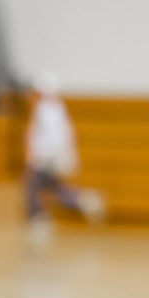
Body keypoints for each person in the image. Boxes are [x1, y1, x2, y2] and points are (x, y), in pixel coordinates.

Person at [24, 72, 104, 228]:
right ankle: (85, 200)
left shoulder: (45, 110)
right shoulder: (58, 109)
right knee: (52, 188)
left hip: (45, 159)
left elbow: (42, 136)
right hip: (53, 158)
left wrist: (33, 154)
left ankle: (38, 216)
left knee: (37, 188)